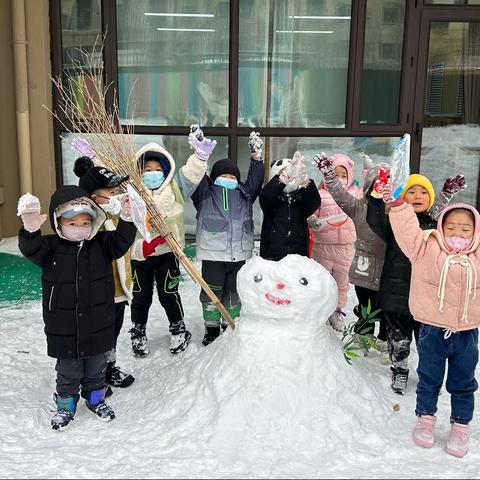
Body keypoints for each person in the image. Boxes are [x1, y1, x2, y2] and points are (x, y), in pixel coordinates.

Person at [17, 186, 137, 430]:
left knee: (96, 369)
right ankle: (65, 405)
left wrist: (126, 219)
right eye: (72, 222)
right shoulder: (49, 248)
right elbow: (30, 248)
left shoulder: (102, 244)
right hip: (64, 325)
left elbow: (122, 240)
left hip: (98, 322)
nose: (79, 227)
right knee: (68, 371)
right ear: (58, 222)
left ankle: (96, 400)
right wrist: (30, 230)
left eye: (84, 221)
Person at [388, 199, 479, 458]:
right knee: (429, 379)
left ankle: (460, 426)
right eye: (451, 227)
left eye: (465, 228)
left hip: (467, 333)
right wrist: (397, 205)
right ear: (440, 227)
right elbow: (407, 230)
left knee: (463, 382)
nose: (458, 233)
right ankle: (425, 420)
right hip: (432, 330)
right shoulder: (427, 248)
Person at [367, 173, 465, 394]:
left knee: (427, 341)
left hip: (427, 295)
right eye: (411, 192)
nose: (418, 196)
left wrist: (446, 194)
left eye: (423, 193)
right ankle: (400, 370)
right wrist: (375, 197)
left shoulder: (436, 226)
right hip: (396, 292)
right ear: (402, 197)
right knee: (398, 338)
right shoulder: (394, 223)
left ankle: (427, 374)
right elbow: (374, 220)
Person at [129, 129, 213, 356]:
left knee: (169, 293)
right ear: (139, 171)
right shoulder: (133, 192)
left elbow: (190, 174)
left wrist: (200, 157)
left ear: (165, 172)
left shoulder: (174, 188)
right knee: (141, 296)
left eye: (158, 170)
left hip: (169, 252)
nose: (153, 174)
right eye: (147, 170)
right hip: (141, 255)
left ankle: (178, 329)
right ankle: (138, 334)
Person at [191, 131, 265, 346]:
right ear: (214, 178)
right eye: (224, 176)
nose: (228, 179)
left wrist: (256, 158)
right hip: (213, 255)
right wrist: (198, 155)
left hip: (238, 255)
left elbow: (256, 180)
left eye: (232, 177)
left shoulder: (245, 194)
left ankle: (229, 322)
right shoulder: (205, 193)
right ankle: (211, 327)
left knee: (234, 292)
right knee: (211, 293)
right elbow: (196, 176)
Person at [313, 153, 388, 357]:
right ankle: (361, 334)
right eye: (375, 186)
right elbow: (338, 194)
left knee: (384, 305)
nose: (379, 190)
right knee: (363, 302)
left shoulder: (394, 210)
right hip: (356, 260)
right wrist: (328, 175)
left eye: (384, 186)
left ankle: (383, 338)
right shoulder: (357, 206)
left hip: (382, 264)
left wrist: (368, 171)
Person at [74, 157, 135, 391]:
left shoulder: (115, 214)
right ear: (92, 197)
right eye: (110, 191)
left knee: (113, 332)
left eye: (116, 190)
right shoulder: (85, 222)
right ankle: (92, 375)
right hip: (99, 291)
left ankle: (109, 367)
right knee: (96, 334)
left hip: (119, 289)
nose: (116, 195)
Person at [309, 153, 363, 332]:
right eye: (335, 173)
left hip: (346, 248)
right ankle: (322, 311)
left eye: (344, 174)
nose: (340, 178)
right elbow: (311, 214)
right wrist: (312, 222)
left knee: (341, 282)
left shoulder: (355, 194)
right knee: (323, 281)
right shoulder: (320, 194)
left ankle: (337, 311)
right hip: (322, 246)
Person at [259, 151, 320, 261]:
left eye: (292, 173)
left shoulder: (301, 195)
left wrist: (306, 184)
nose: (289, 176)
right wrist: (282, 180)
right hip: (272, 253)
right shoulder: (271, 195)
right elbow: (265, 197)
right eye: (283, 173)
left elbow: (313, 204)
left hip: (298, 253)